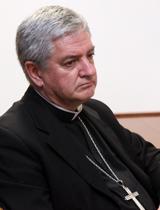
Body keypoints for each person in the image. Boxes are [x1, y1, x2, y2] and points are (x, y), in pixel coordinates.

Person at [0, 5, 159, 210]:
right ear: (35, 72)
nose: (89, 70)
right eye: (70, 62)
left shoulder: (95, 110)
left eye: (90, 55)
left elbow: (149, 157)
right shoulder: (12, 139)